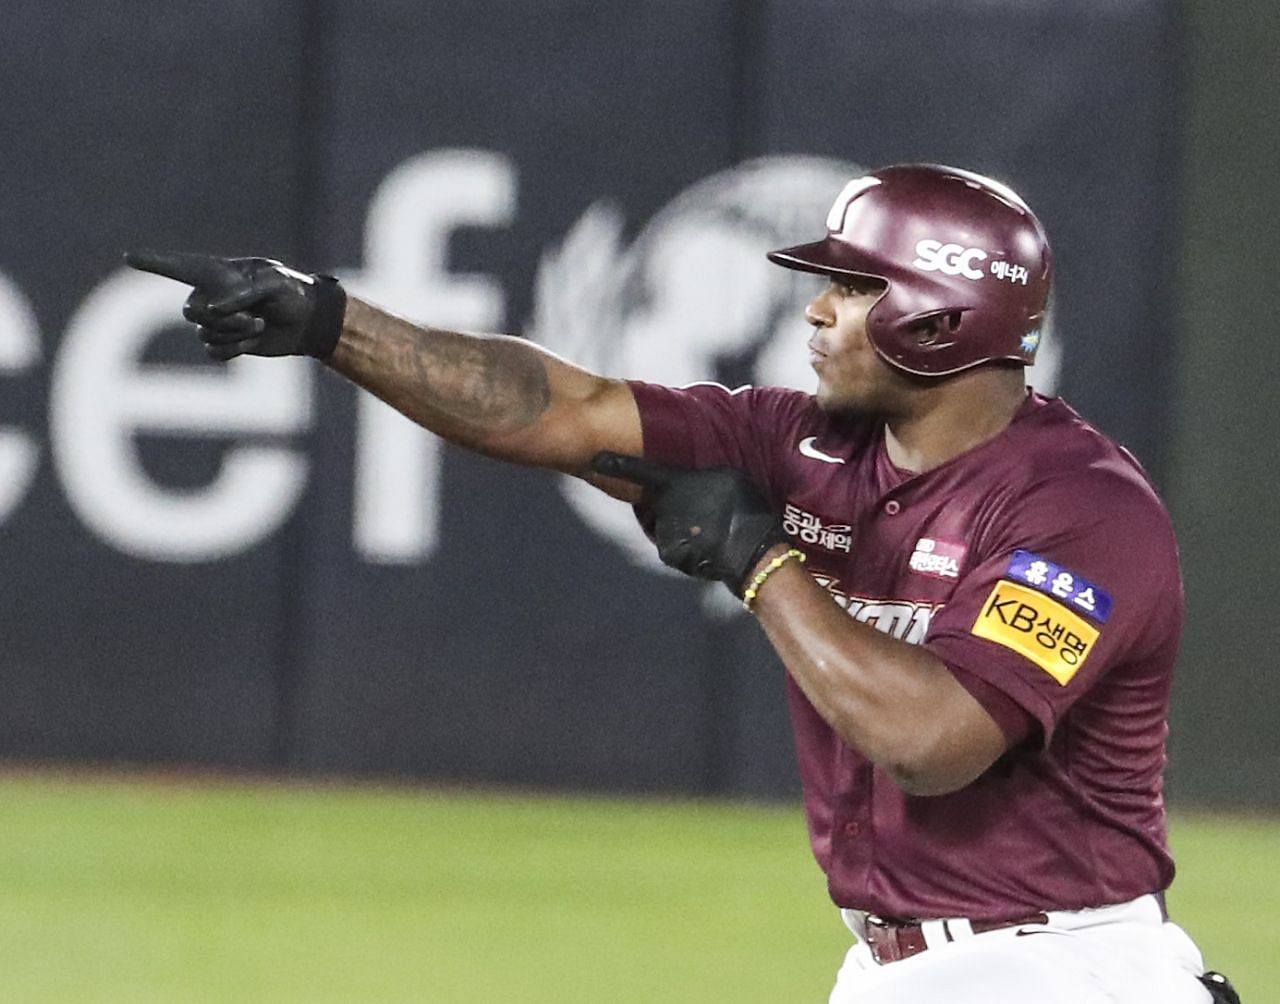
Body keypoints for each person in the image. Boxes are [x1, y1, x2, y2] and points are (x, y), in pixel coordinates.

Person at [127, 163, 1236, 1003]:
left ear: (936, 318)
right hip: (896, 965)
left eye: (848, 288)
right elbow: (564, 406)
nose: (812, 312)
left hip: (1062, 967)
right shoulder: (793, 441)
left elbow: (935, 738)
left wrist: (763, 565)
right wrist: (330, 324)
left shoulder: (1079, 509)